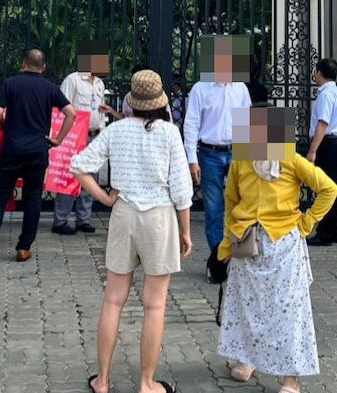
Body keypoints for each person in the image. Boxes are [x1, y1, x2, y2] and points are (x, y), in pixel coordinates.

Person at [74, 70, 192, 393]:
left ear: (132, 101)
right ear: (160, 102)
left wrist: (104, 198)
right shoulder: (170, 134)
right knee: (155, 305)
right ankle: (146, 383)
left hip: (123, 213)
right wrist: (185, 231)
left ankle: (102, 380)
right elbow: (182, 190)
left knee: (113, 300)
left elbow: (79, 166)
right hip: (160, 218)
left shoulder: (117, 130)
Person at [216, 154, 337, 393]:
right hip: (247, 244)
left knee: (288, 313)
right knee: (247, 308)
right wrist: (226, 244)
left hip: (284, 247)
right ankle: (247, 359)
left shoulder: (292, 159)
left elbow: (329, 189)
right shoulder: (241, 160)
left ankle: (290, 378)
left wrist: (306, 222)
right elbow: (231, 202)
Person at [0, 49, 76, 264]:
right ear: (43, 67)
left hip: (11, 149)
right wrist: (58, 140)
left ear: (23, 64)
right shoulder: (50, 88)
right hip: (38, 151)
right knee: (32, 199)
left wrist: (5, 123)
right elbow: (71, 113)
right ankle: (24, 248)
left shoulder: (10, 84)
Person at [183, 75, 251, 280]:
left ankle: (240, 257)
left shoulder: (240, 88)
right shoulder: (200, 88)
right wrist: (192, 159)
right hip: (209, 153)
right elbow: (191, 124)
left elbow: (248, 123)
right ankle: (218, 260)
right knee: (213, 210)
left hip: (237, 152)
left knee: (241, 206)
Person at [52, 69, 106, 235]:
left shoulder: (99, 83)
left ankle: (83, 219)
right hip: (74, 136)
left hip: (93, 135)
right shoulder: (73, 80)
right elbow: (62, 109)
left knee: (89, 177)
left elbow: (100, 111)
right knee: (68, 176)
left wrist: (102, 132)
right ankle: (61, 220)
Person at [305, 58, 337, 246]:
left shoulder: (325, 94)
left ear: (319, 73)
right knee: (333, 186)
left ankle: (324, 233)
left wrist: (312, 150)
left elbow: (323, 123)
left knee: (326, 187)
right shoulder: (335, 91)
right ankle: (332, 230)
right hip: (334, 142)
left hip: (327, 143)